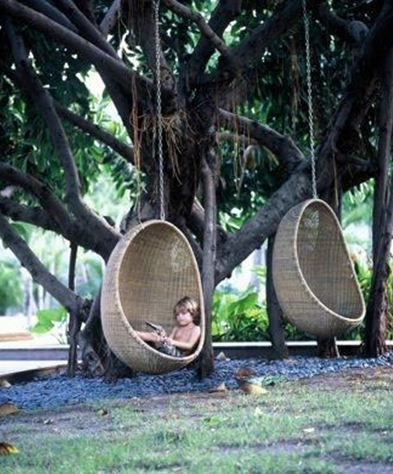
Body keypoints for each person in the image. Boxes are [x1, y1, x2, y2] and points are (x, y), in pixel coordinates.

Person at [135, 296, 201, 357]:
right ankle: (133, 336)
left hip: (179, 355)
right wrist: (164, 337)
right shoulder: (177, 328)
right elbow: (169, 340)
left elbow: (190, 346)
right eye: (177, 315)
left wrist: (173, 342)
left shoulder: (195, 329)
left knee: (154, 337)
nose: (180, 317)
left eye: (183, 313)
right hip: (170, 350)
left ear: (193, 313)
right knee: (155, 336)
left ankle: (132, 333)